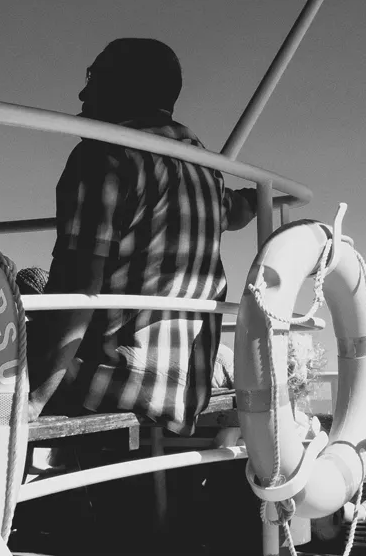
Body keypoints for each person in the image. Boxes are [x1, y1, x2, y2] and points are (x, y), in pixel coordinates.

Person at [26, 38, 257, 436]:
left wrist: (33, 399)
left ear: (127, 86)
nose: (82, 92)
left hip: (112, 382)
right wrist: (257, 200)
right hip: (185, 387)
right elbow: (232, 212)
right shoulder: (203, 164)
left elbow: (81, 288)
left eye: (93, 77)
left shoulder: (104, 156)